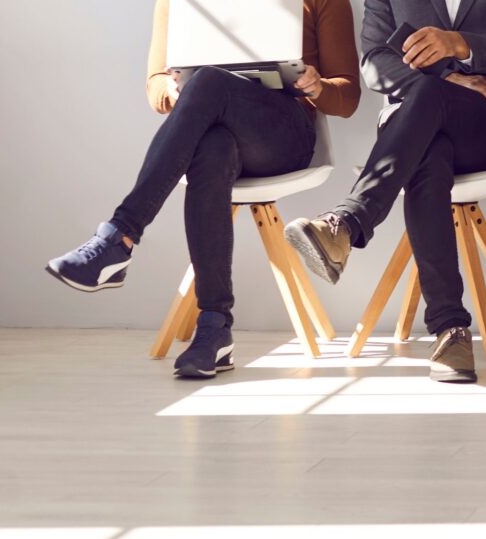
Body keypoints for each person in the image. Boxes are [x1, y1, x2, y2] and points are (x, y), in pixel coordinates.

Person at [45, 0, 360, 379]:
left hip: (283, 134)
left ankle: (119, 236)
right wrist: (175, 93)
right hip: (213, 130)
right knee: (212, 148)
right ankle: (214, 327)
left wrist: (317, 85)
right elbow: (156, 83)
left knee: (209, 81)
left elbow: (347, 97)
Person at [281, 0, 486, 384]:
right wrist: (449, 79)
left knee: (427, 104)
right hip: (416, 129)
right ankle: (450, 332)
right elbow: (374, 61)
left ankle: (349, 222)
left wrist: (456, 44)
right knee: (428, 151)